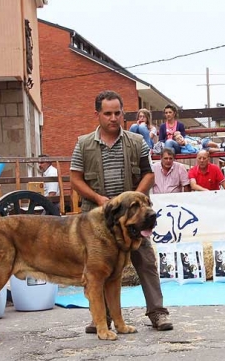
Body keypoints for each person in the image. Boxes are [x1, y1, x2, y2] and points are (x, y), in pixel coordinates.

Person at [70, 90, 173, 332]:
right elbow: (75, 179)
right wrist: (97, 198)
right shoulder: (83, 144)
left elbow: (149, 173)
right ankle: (101, 318)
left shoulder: (137, 142)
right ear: (97, 114)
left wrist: (136, 200)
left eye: (118, 113)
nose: (113, 118)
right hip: (98, 219)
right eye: (107, 113)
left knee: (146, 261)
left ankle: (157, 312)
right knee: (99, 268)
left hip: (135, 219)